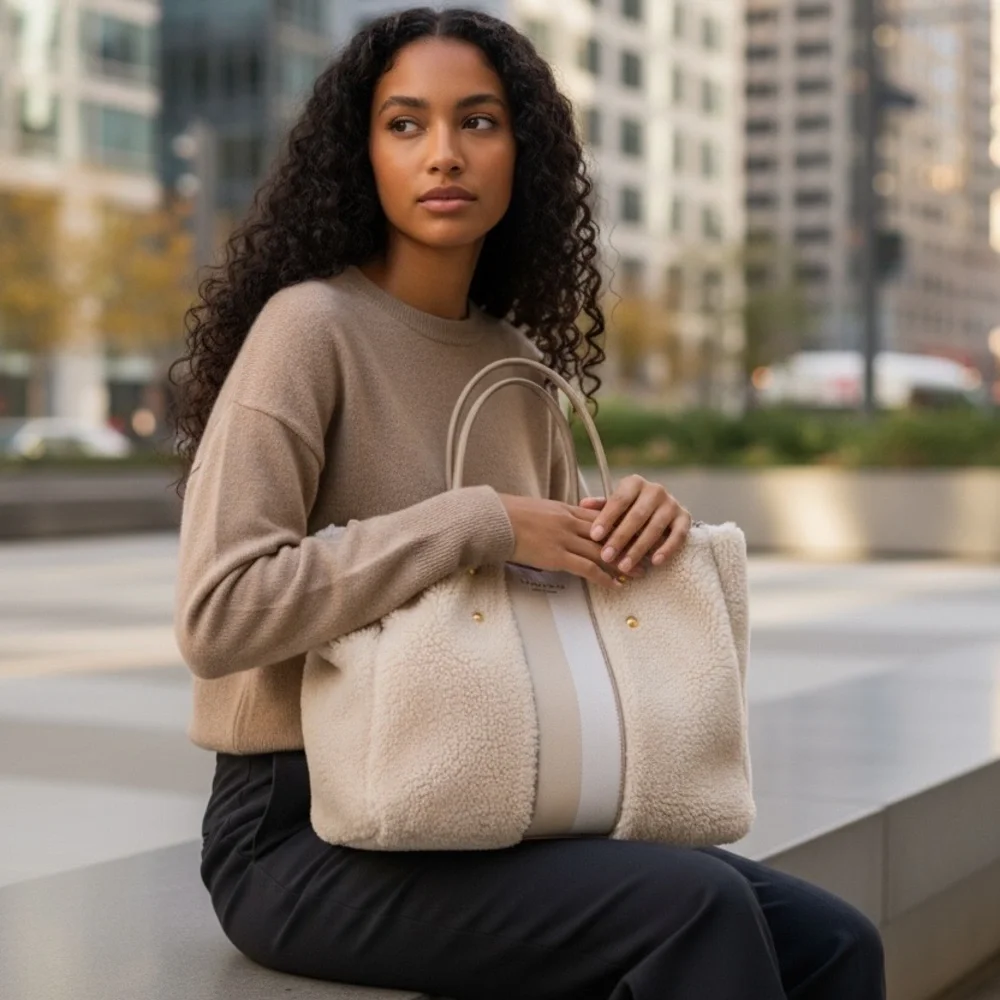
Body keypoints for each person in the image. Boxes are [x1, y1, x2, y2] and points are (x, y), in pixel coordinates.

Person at [170, 8, 886, 999]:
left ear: (523, 154)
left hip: (488, 792)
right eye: (406, 124)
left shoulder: (516, 367)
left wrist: (628, 529)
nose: (444, 154)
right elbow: (218, 614)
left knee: (836, 940)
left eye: (479, 121)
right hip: (298, 831)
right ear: (361, 153)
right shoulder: (308, 329)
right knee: (695, 909)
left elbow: (548, 609)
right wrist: (477, 521)